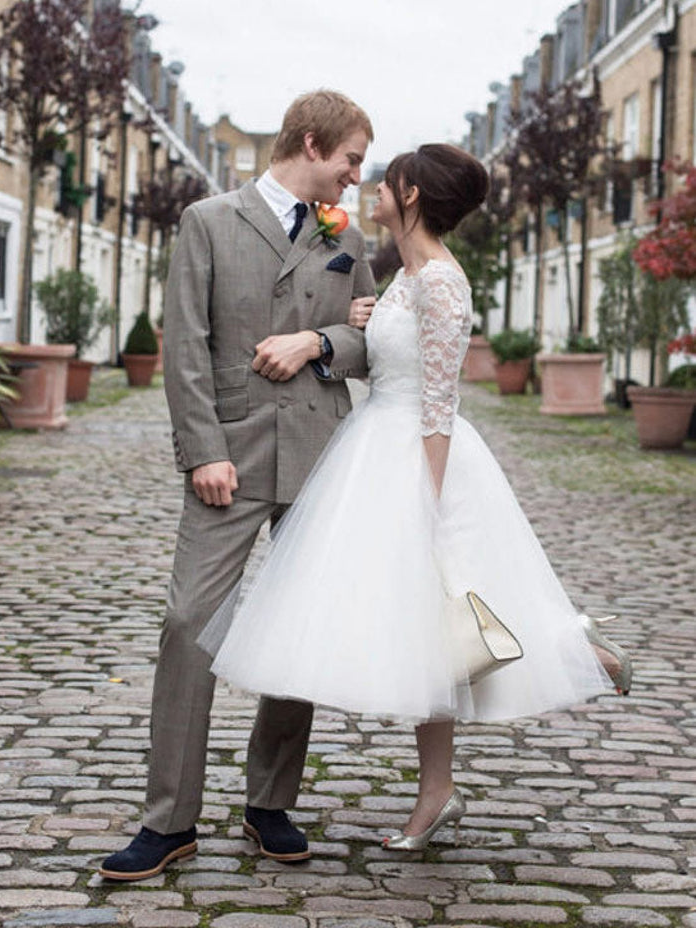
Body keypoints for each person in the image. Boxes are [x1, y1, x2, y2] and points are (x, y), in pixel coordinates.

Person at [199, 143, 629, 852]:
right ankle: (438, 792)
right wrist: (362, 321)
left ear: (412, 196)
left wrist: (425, 502)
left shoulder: (442, 283)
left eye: (387, 181)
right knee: (427, 634)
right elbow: (388, 359)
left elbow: (439, 403)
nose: (372, 188)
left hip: (419, 457)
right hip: (375, 442)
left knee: (452, 607)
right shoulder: (407, 276)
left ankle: (579, 654)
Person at [99, 90, 377, 880]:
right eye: (351, 159)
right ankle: (169, 820)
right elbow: (185, 344)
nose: (357, 176)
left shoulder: (348, 235)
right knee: (188, 623)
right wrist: (202, 452)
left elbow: (374, 338)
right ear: (313, 142)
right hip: (230, 456)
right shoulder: (209, 221)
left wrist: (318, 340)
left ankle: (270, 804)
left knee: (298, 627)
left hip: (319, 453)